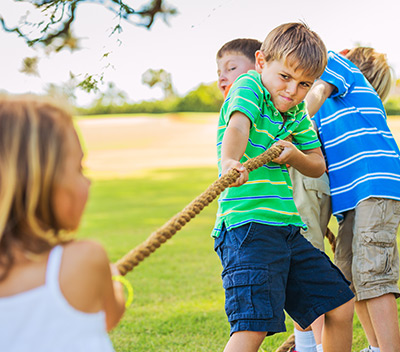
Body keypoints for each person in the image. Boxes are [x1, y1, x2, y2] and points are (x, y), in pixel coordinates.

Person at [212, 22, 355, 352]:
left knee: (340, 305)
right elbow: (238, 123)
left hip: (288, 231)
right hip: (247, 229)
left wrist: (294, 156)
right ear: (261, 63)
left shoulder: (296, 114)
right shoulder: (249, 86)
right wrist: (229, 162)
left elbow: (317, 162)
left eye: (305, 84)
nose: (293, 90)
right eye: (285, 77)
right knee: (253, 327)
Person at [0, 95, 126, 352]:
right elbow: (110, 315)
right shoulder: (85, 259)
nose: (88, 182)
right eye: (80, 169)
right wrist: (113, 281)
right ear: (41, 181)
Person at [305, 47, 400, 352]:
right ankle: (374, 347)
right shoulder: (331, 108)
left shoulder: (336, 63)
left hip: (374, 186)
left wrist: (290, 119)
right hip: (350, 202)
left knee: (373, 273)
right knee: (349, 281)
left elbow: (318, 89)